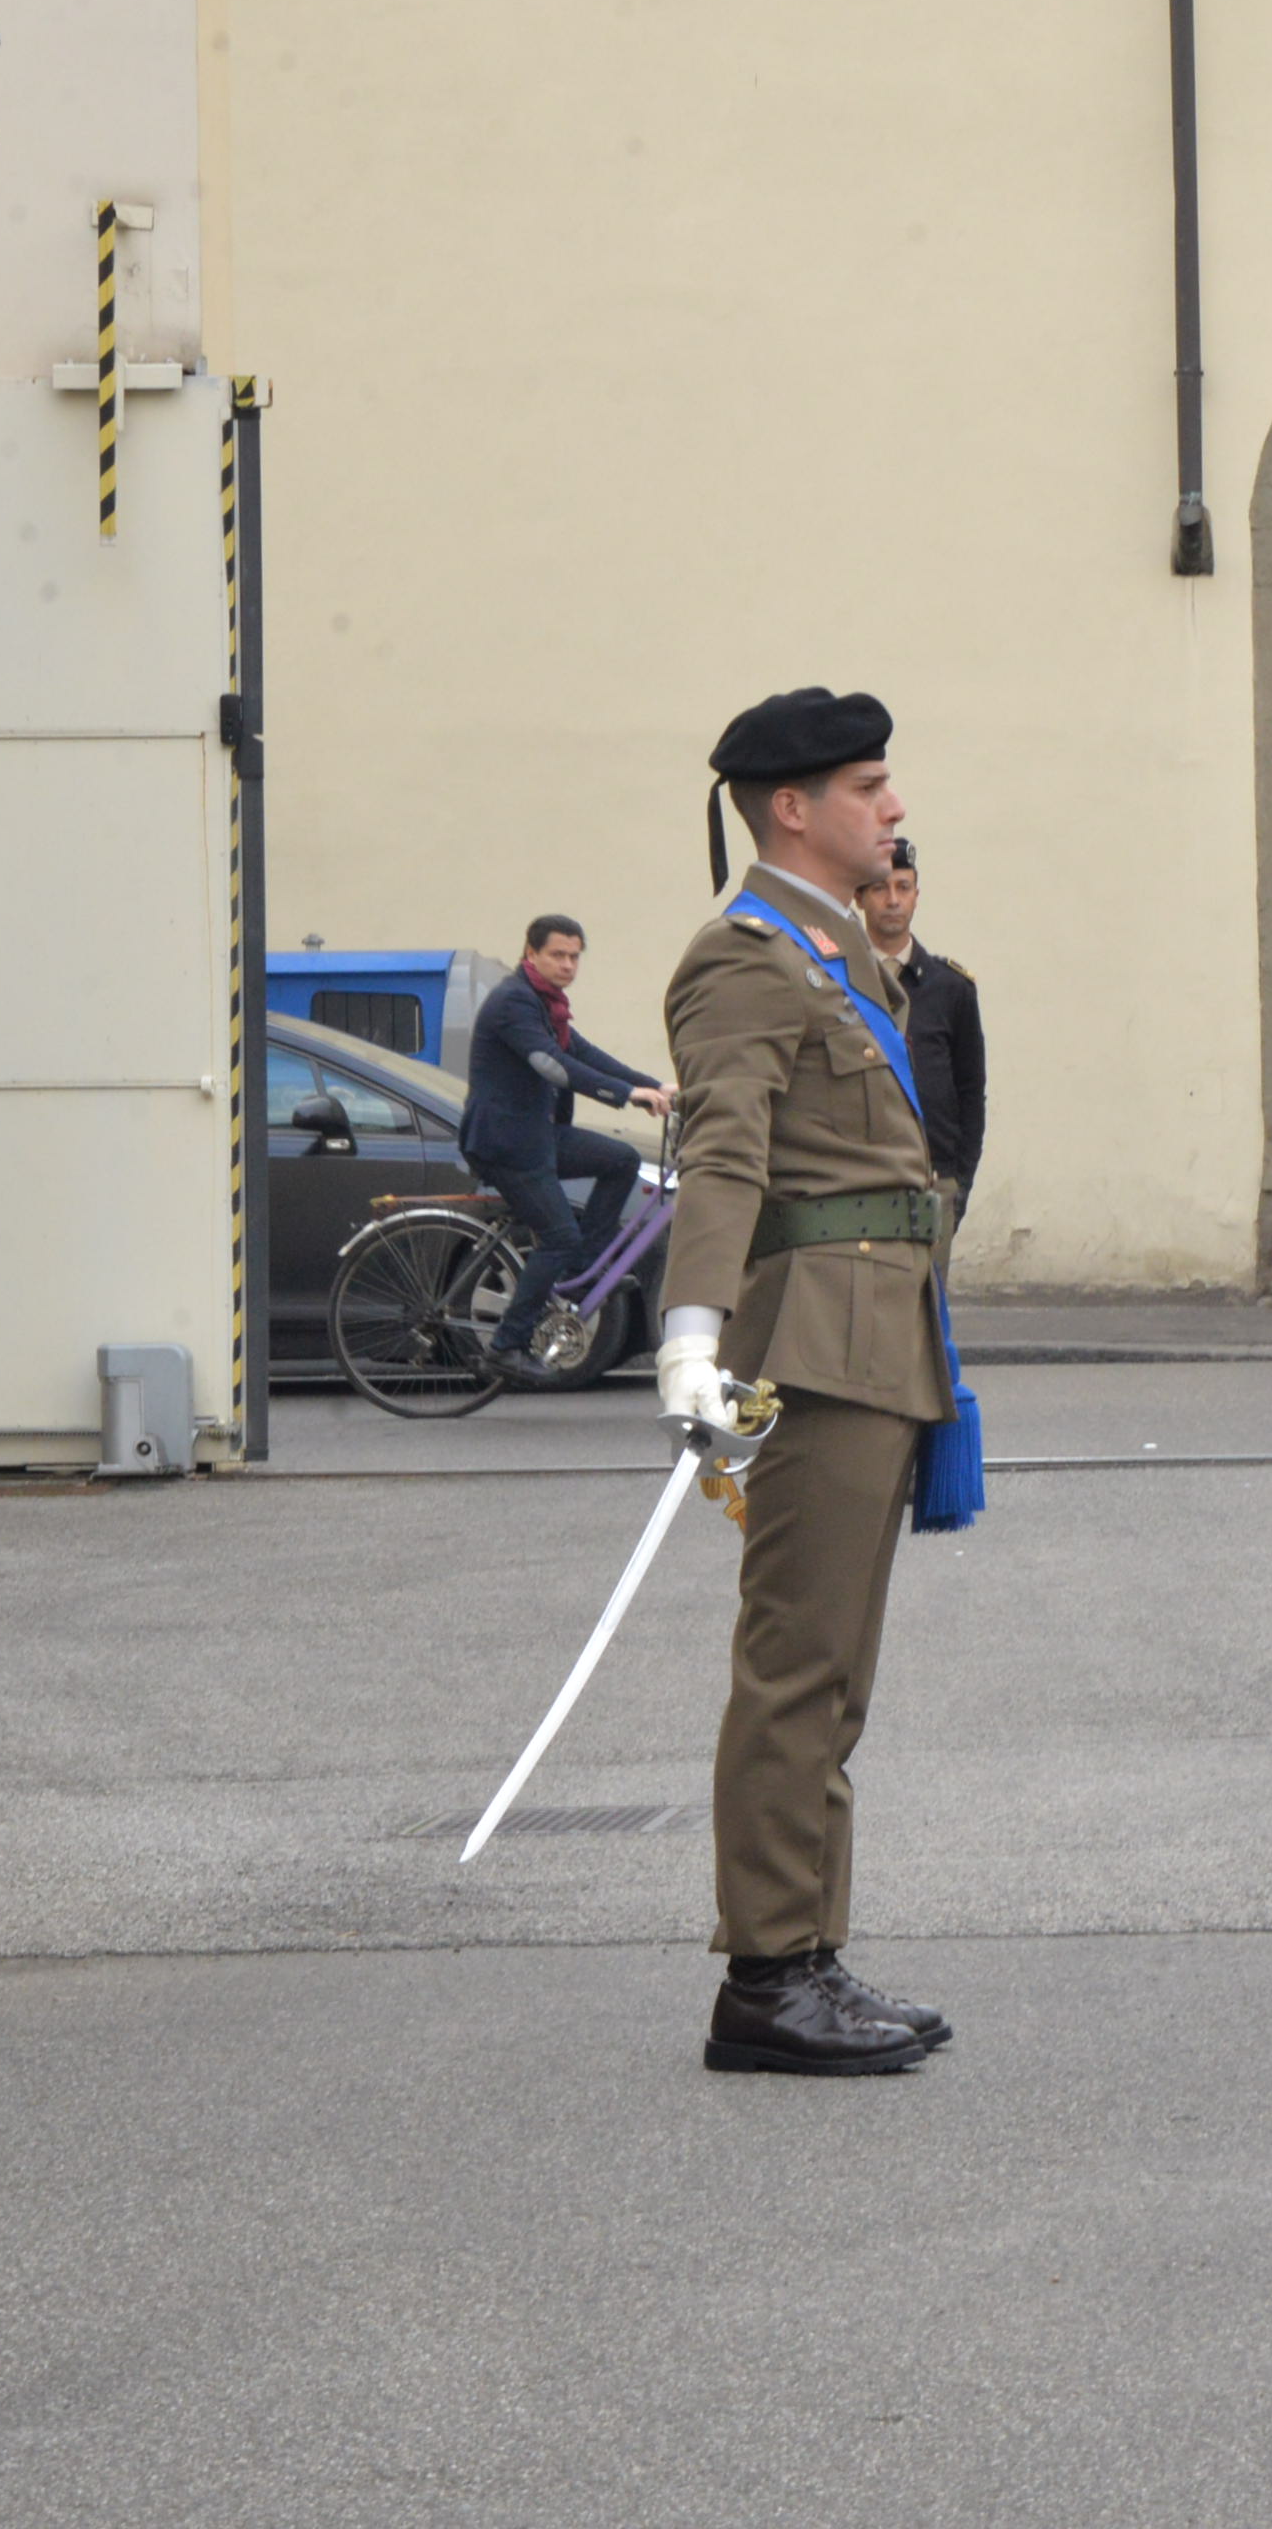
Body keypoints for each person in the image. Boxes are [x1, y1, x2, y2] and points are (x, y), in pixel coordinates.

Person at [654, 686, 956, 2078]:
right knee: (795, 1664)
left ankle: (810, 1950)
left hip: (879, 1336)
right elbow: (723, 1156)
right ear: (792, 808)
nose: (893, 807)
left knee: (835, 1673)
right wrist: (691, 1336)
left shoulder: (836, 953)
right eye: (868, 786)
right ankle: (767, 1977)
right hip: (818, 1345)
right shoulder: (747, 961)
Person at [464, 912, 668, 1377]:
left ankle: (581, 1274)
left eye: (575, 957)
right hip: (507, 1144)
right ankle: (505, 1347)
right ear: (530, 953)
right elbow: (553, 1066)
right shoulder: (513, 1002)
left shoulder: (547, 1005)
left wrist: (653, 1086)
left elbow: (585, 1054)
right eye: (558, 955)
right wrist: (626, 1095)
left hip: (537, 1136)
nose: (568, 965)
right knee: (558, 1236)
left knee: (622, 1160)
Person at [864, 836, 988, 1257]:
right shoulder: (839, 982)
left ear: (917, 895)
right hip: (858, 1185)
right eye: (880, 888)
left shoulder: (951, 989)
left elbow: (970, 1092)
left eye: (903, 887)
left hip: (935, 1182)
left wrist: (959, 1182)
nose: (892, 900)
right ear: (860, 897)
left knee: (930, 1298)